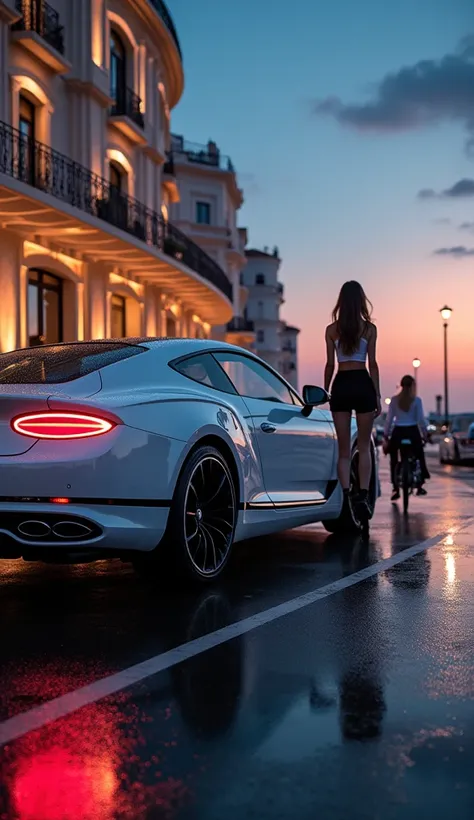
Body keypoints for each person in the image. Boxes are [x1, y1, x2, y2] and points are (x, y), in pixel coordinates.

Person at [324, 281, 381, 522]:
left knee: (344, 451)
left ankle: (347, 496)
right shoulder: (369, 329)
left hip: (342, 384)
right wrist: (377, 394)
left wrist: (325, 391)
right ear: (360, 301)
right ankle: (363, 496)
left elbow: (329, 365)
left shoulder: (331, 329)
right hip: (362, 382)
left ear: (341, 302)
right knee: (365, 446)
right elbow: (373, 364)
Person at [383, 375, 430, 501]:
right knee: (419, 455)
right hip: (412, 431)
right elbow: (420, 420)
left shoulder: (394, 400)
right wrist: (425, 434)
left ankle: (395, 488)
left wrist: (386, 434)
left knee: (394, 458)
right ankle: (420, 484)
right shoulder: (417, 400)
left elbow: (389, 419)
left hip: (398, 431)